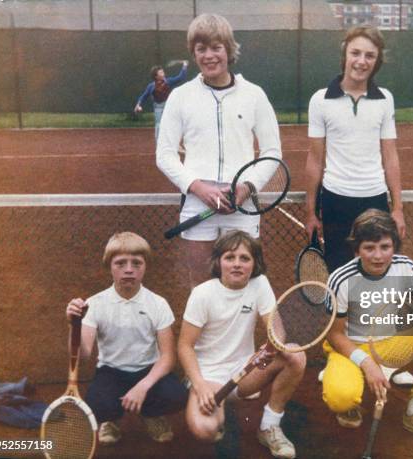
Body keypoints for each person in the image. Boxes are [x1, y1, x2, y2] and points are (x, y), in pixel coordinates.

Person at [156, 14, 282, 290]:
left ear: (229, 50)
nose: (209, 56)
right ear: (194, 53)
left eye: (216, 47)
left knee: (247, 284)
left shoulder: (254, 94)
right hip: (197, 204)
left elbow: (272, 151)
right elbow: (164, 154)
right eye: (201, 49)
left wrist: (246, 188)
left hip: (242, 206)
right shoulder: (180, 96)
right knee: (201, 287)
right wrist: (200, 189)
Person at [322, 209, 413, 445]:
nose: (378, 256)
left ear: (394, 246)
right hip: (352, 347)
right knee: (341, 398)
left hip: (391, 343)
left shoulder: (404, 266)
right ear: (356, 250)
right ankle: (349, 401)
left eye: (385, 247)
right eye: (369, 248)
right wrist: (366, 364)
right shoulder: (341, 279)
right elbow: (335, 335)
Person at [178, 230, 304, 459]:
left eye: (244, 258)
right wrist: (199, 385)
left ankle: (269, 426)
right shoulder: (202, 294)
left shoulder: (259, 284)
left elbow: (276, 328)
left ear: (254, 263)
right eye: (230, 257)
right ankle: (217, 408)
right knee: (207, 431)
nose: (237, 264)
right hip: (209, 376)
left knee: (296, 355)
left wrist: (273, 346)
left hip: (245, 372)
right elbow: (185, 346)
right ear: (218, 262)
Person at [65, 232, 187, 445]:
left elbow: (168, 357)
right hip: (111, 372)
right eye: (120, 263)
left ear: (145, 266)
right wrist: (73, 324)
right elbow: (82, 354)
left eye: (136, 263)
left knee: (177, 395)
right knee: (98, 404)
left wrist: (143, 386)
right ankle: (110, 421)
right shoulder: (94, 304)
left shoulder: (158, 304)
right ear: (109, 266)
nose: (129, 269)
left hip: (148, 369)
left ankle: (151, 415)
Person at [305, 26, 406, 273]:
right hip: (334, 201)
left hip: (375, 200)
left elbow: (390, 156)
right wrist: (310, 212)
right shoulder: (319, 100)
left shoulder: (385, 98)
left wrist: (397, 208)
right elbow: (315, 160)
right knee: (339, 274)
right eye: (355, 53)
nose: (361, 61)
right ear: (345, 55)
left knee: (376, 274)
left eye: (369, 56)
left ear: (377, 61)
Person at [134, 61, 189, 141]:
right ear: (156, 76)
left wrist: (184, 66)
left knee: (173, 124)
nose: (163, 73)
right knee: (159, 126)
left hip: (169, 107)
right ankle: (159, 145)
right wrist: (138, 104)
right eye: (161, 72)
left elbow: (181, 77)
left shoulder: (168, 81)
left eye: (163, 71)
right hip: (158, 108)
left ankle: (176, 143)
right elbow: (143, 96)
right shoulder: (151, 86)